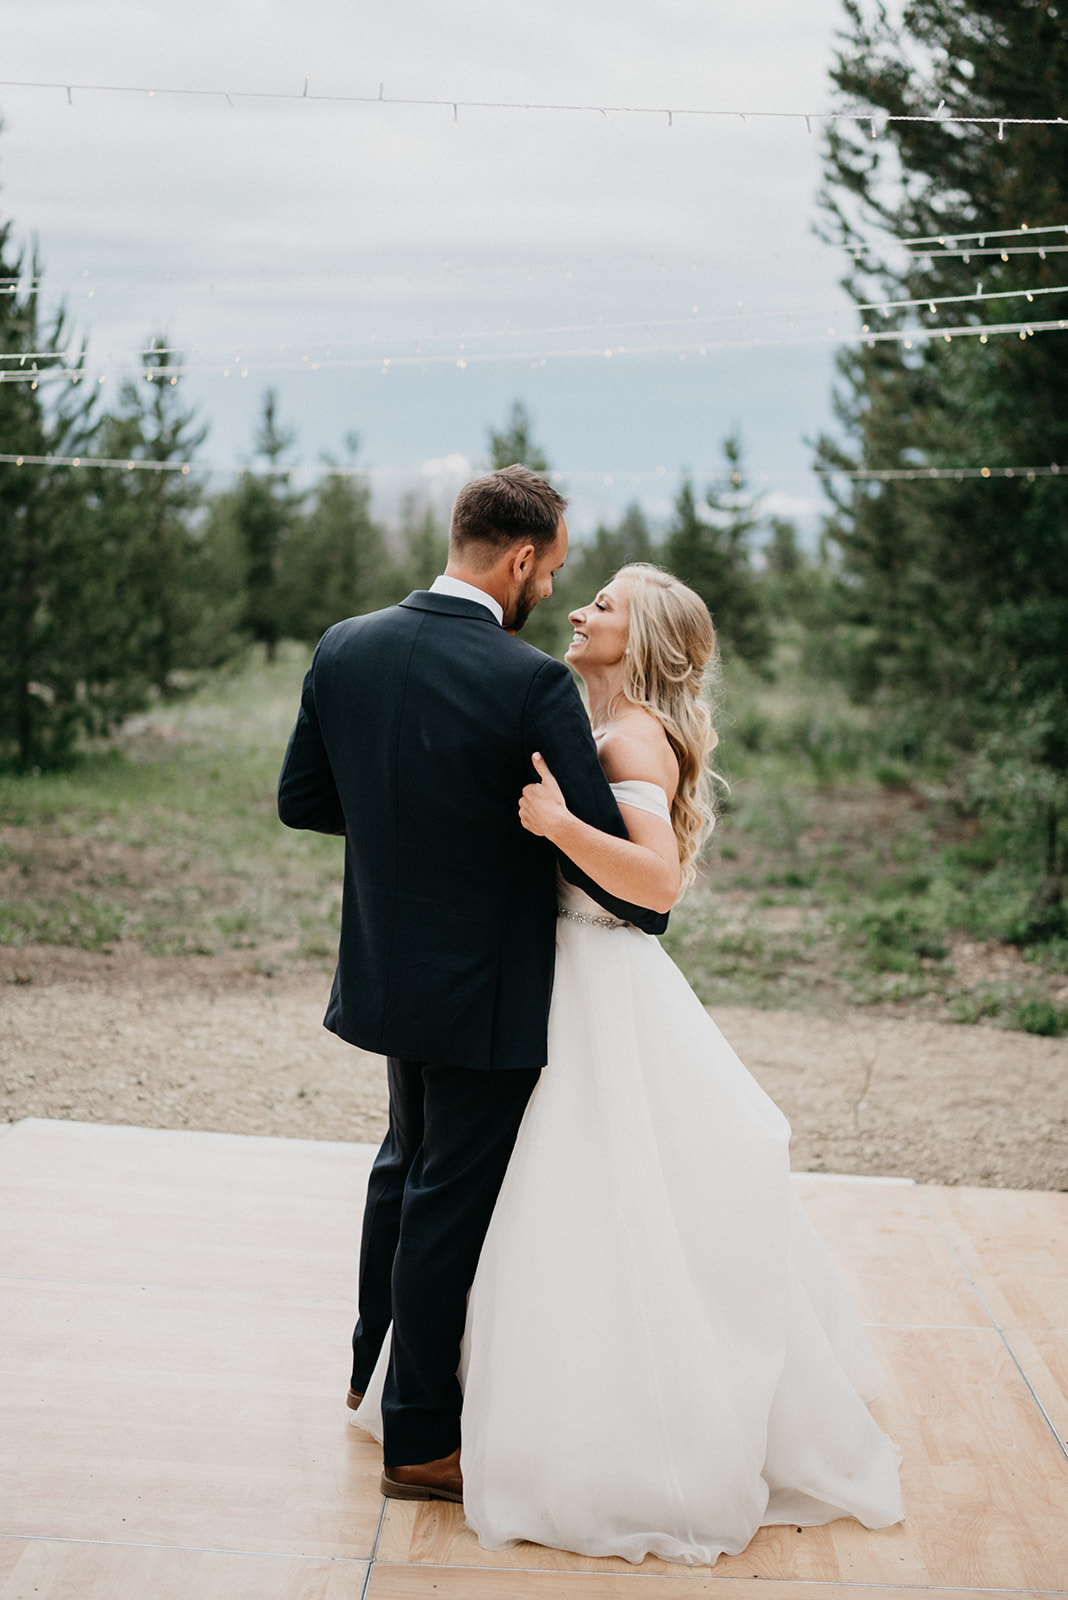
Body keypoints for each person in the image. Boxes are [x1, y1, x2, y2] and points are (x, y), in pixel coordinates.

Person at [354, 563, 904, 1563]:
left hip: (599, 983)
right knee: (539, 1204)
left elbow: (654, 882)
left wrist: (560, 824)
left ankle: (598, 1424)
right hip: (554, 975)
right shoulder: (585, 723)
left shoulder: (635, 734)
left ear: (643, 637)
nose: (579, 610)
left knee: (591, 1201)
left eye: (602, 604)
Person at [277, 467, 666, 1504]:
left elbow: (302, 799)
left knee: (402, 1169)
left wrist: (412, 820)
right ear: (521, 558)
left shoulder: (344, 644)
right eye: (556, 572)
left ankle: (372, 1376)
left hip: (385, 960)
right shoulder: (527, 680)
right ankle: (417, 1441)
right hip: (489, 979)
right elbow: (592, 857)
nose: (552, 592)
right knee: (448, 1197)